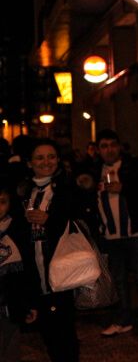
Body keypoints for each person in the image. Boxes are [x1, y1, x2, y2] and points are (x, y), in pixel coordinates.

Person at [93, 129, 138, 338]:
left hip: (135, 232)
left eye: (112, 145)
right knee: (118, 280)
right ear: (98, 150)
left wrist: (125, 187)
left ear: (120, 146)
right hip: (110, 235)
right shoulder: (94, 170)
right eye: (104, 146)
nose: (109, 150)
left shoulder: (135, 166)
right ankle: (124, 318)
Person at [23, 139, 79, 362]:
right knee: (46, 330)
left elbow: (80, 222)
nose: (46, 162)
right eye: (40, 157)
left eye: (51, 156)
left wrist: (50, 220)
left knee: (64, 330)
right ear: (30, 163)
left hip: (62, 267)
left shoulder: (67, 187)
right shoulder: (25, 191)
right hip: (35, 269)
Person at [0, 186, 34, 362]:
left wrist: (28, 303)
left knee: (11, 348)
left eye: (2, 202)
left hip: (10, 303)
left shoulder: (17, 229)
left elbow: (27, 270)